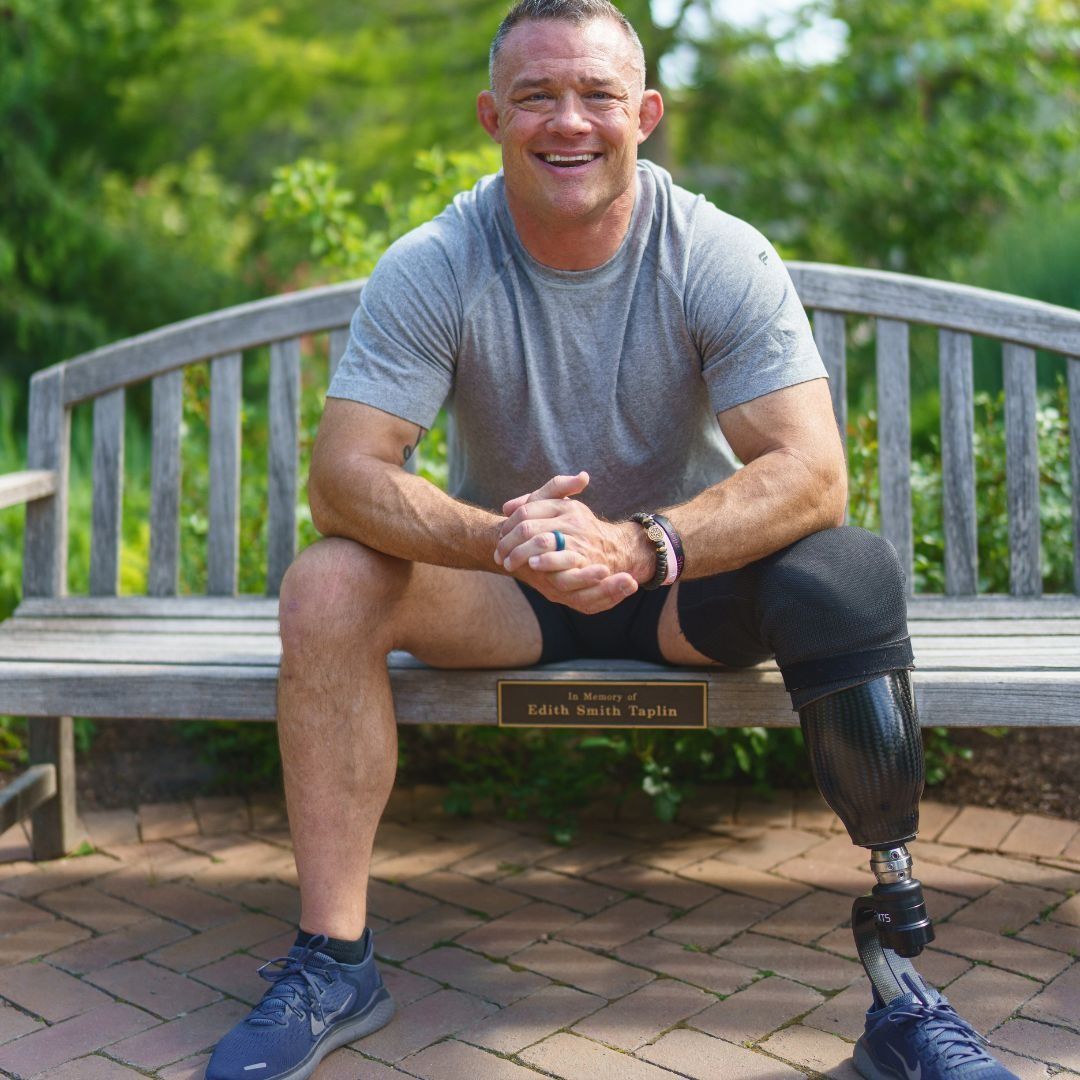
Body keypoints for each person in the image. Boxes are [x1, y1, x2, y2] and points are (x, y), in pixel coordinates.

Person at [205, 3, 1018, 1079]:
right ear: (492, 117)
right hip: (508, 586)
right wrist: (507, 538)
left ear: (646, 114)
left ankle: (902, 984)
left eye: (597, 94)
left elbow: (814, 472)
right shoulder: (437, 260)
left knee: (845, 570)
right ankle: (334, 960)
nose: (568, 121)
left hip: (684, 583)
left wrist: (639, 546)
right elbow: (344, 479)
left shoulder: (715, 252)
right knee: (327, 583)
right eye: (536, 96)